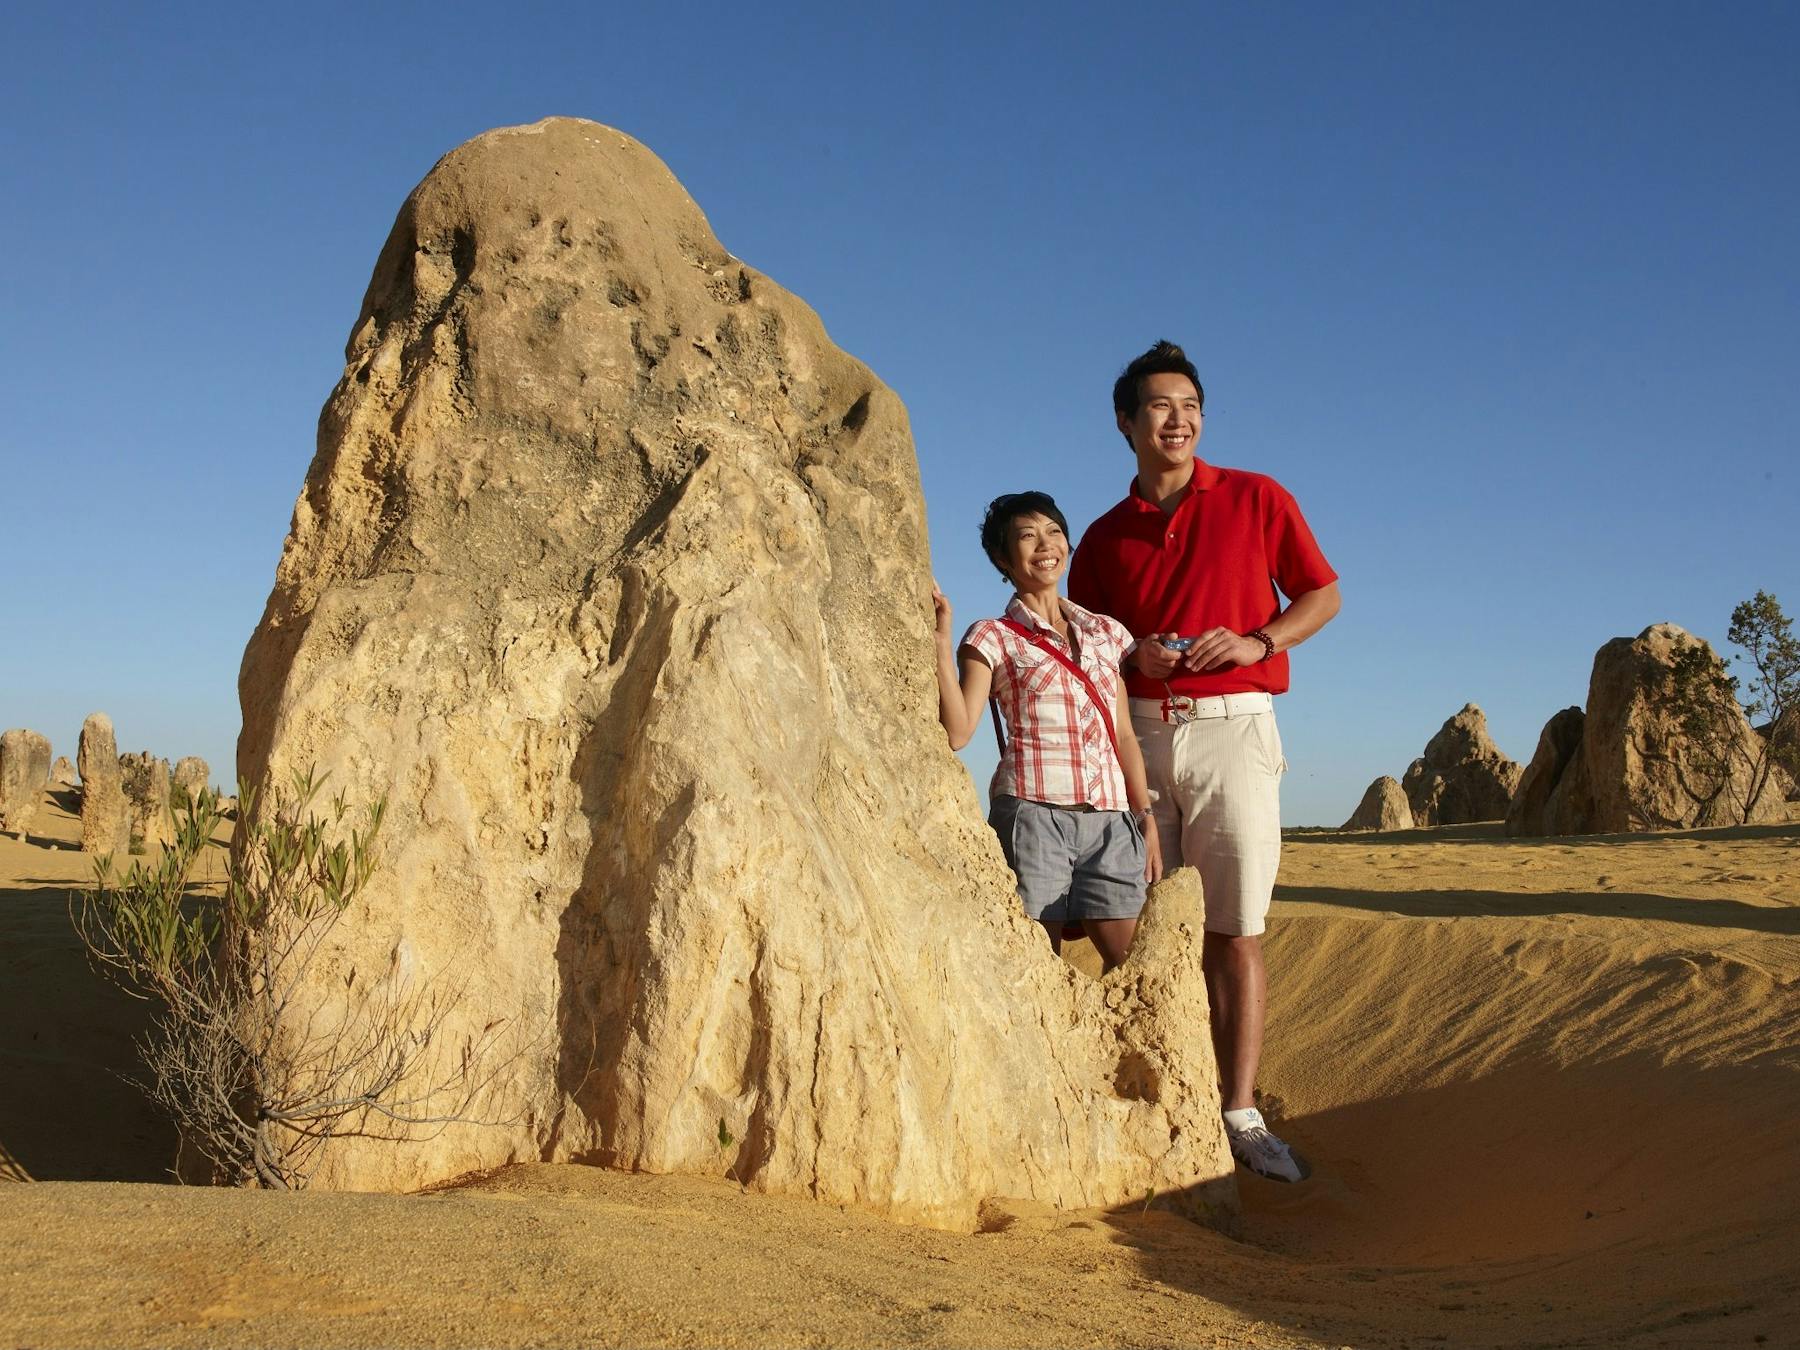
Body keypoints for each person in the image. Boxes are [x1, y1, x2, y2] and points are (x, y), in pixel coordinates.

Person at [1068, 341, 1340, 1182]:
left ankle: (1241, 1113)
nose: (1179, 418)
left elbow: (1323, 594)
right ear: (1126, 423)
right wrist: (1130, 659)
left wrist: (1260, 638)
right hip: (1142, 737)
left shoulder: (1258, 498)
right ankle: (1173, 1093)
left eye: (1190, 404)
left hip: (1235, 730)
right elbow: (1087, 649)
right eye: (1159, 406)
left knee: (1234, 930)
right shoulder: (1106, 537)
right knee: (1155, 928)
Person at [933, 491, 1162, 972]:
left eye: (1054, 531)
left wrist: (1145, 817)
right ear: (1002, 557)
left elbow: (1122, 734)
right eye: (1027, 536)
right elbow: (958, 731)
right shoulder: (991, 635)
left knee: (1134, 971)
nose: (1045, 544)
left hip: (1111, 819)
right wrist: (939, 642)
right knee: (1035, 969)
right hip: (1033, 817)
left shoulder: (1106, 633)